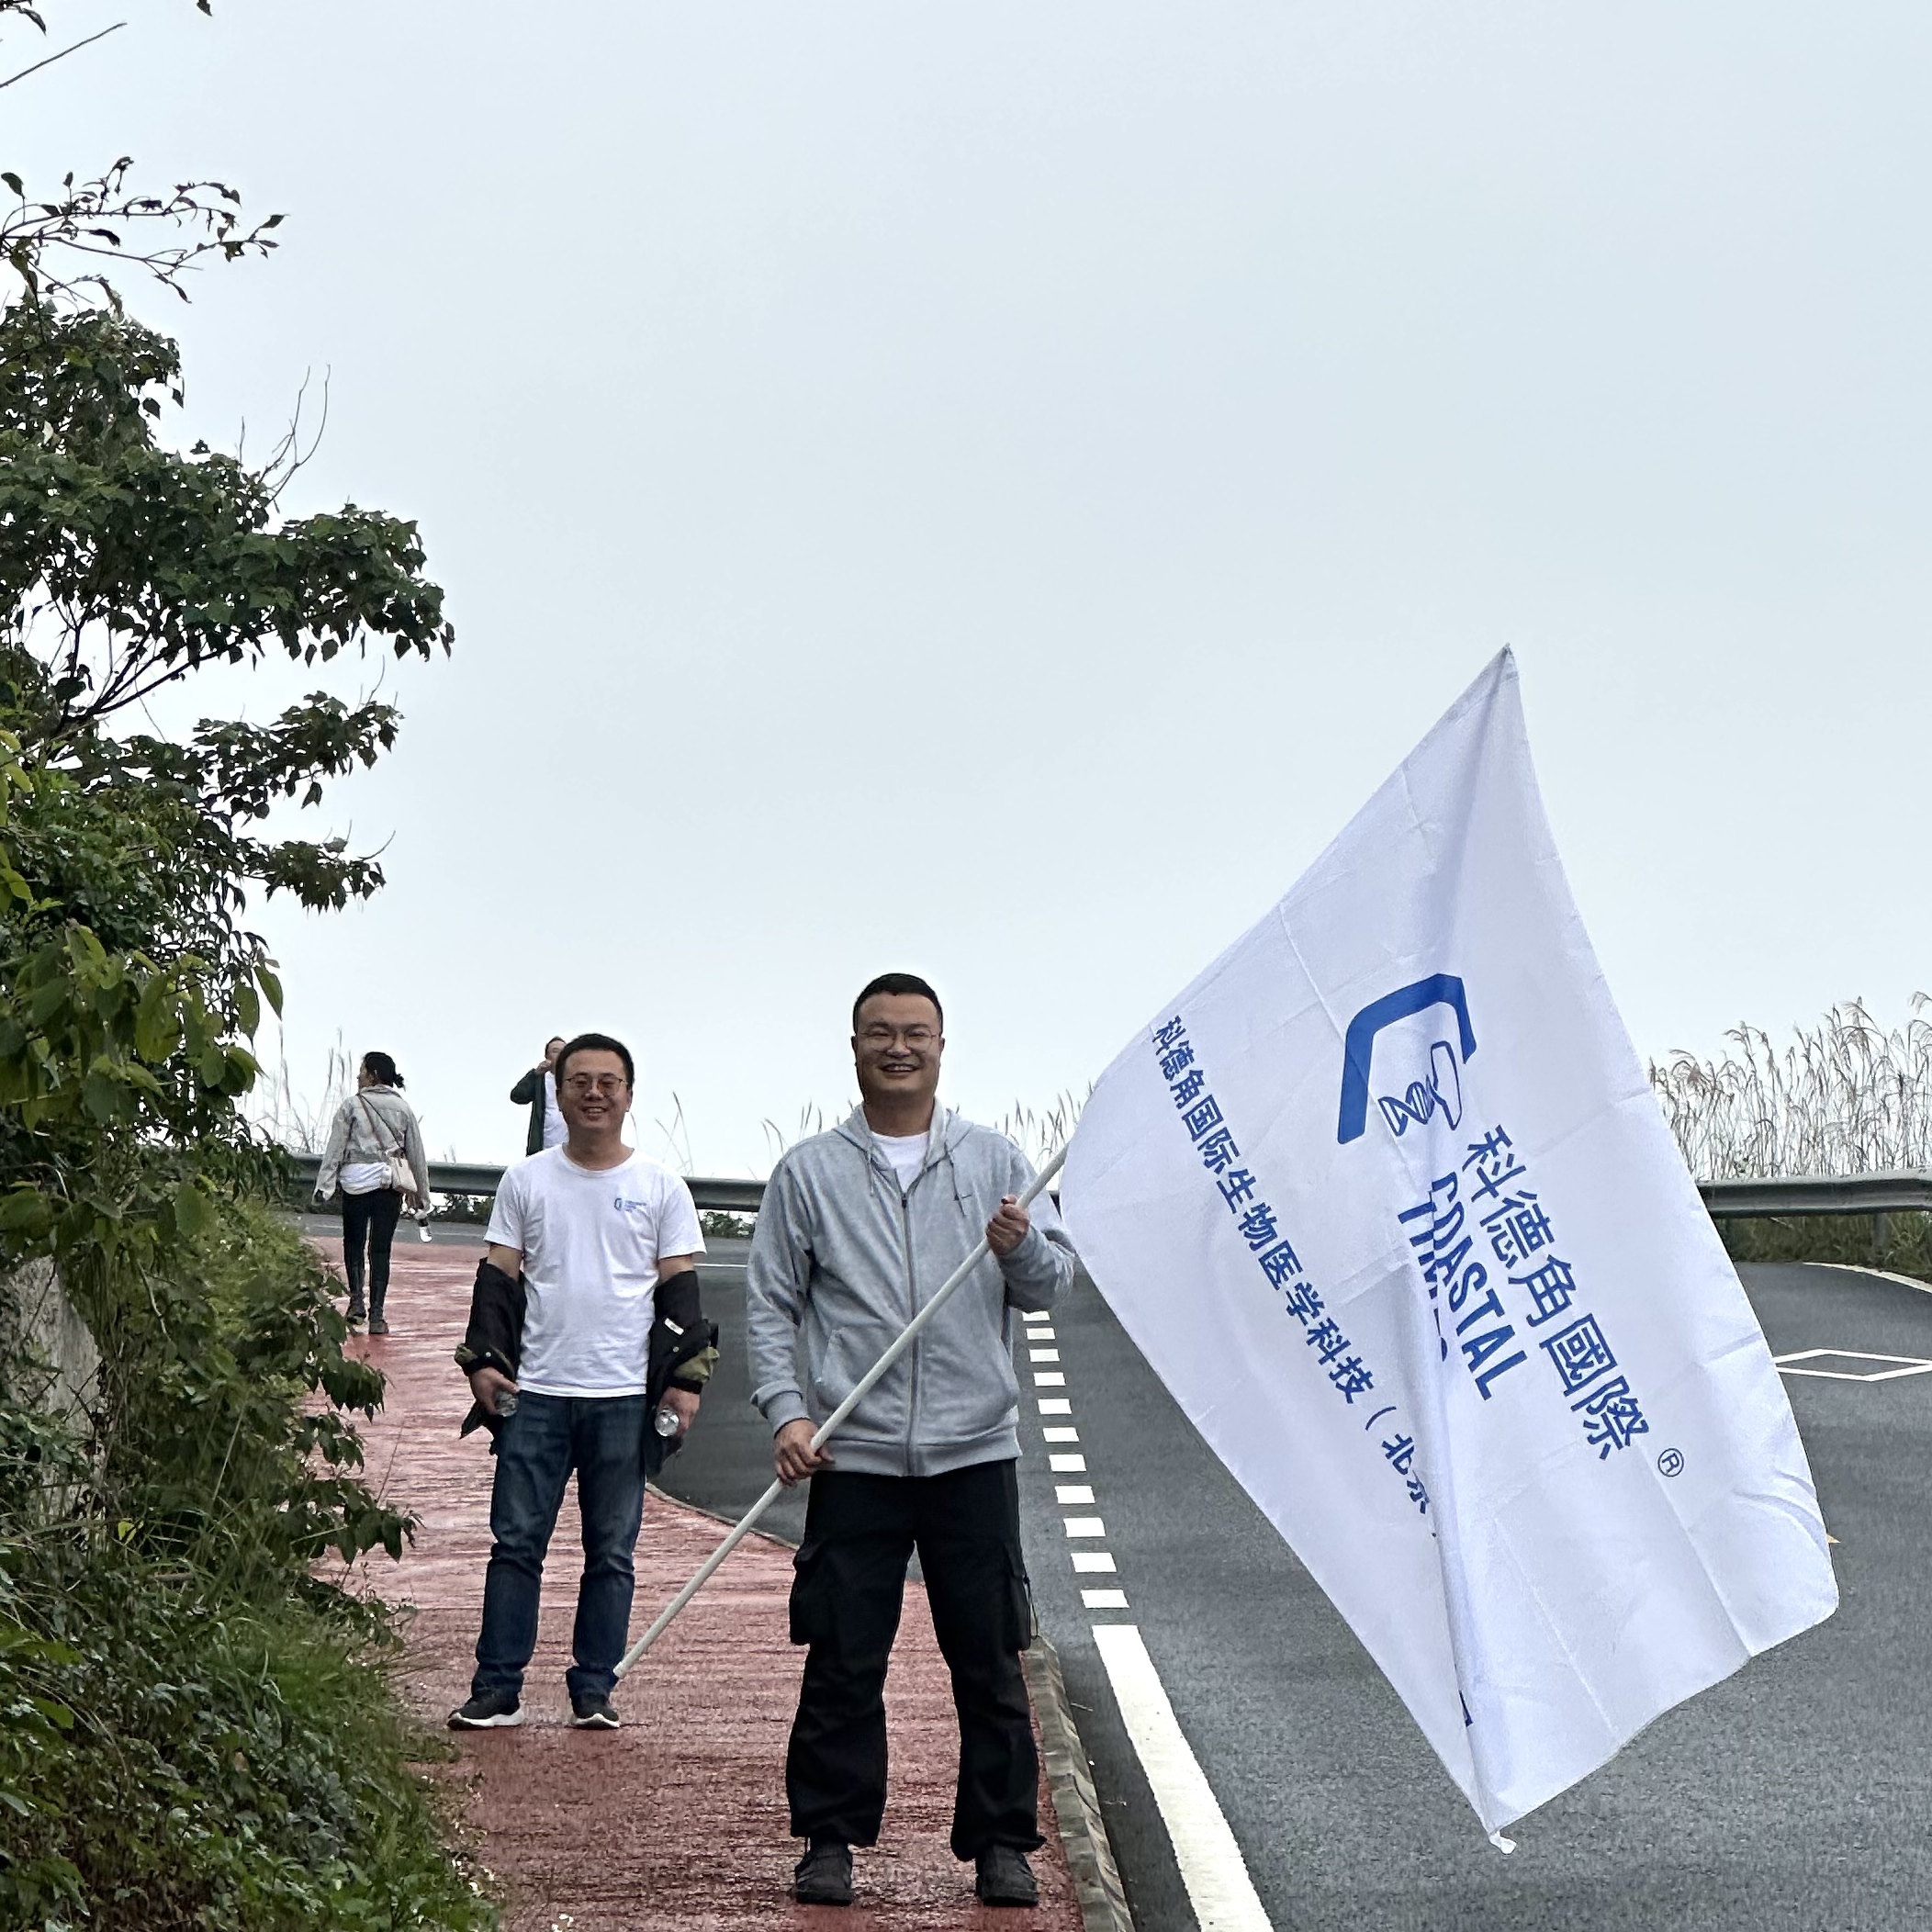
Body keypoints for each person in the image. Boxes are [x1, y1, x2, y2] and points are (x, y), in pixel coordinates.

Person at [746, 973, 1077, 1910]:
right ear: (853, 1046)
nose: (899, 1047)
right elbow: (772, 1303)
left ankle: (1002, 1843)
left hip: (973, 1450)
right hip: (853, 1453)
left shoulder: (992, 1159)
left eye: (917, 1033)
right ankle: (830, 1837)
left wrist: (1017, 1246)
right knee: (844, 1653)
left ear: (942, 1045)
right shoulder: (809, 1171)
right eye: (880, 1032)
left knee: (988, 1653)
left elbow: (1050, 1286)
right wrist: (787, 1412)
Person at [447, 1031, 717, 1732]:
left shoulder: (660, 1187)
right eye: (580, 1082)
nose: (594, 1094)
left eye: (609, 1082)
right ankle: (497, 1688)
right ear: (557, 1093)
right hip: (535, 1393)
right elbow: (498, 1277)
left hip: (623, 1399)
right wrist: (483, 1362)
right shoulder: (526, 1180)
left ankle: (594, 1687)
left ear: (629, 1095)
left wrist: (683, 1387)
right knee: (515, 1545)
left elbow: (681, 1295)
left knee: (612, 1552)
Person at [314, 1050, 430, 1334]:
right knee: (381, 1250)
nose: (358, 1076)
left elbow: (335, 1149)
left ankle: (356, 1303)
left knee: (353, 1243)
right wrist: (422, 1199)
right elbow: (417, 1157)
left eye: (362, 1071)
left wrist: (325, 1185)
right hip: (389, 1186)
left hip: (355, 1184)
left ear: (373, 1076)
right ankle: (377, 1315)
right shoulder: (404, 1110)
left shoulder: (351, 1106)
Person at [509, 1036, 568, 1156]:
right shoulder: (540, 1079)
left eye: (564, 1052)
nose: (560, 1055)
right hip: (542, 1148)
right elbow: (517, 1096)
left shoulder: (575, 1079)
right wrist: (534, 1074)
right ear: (547, 1057)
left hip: (569, 1148)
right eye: (555, 1051)